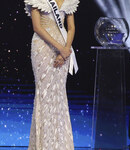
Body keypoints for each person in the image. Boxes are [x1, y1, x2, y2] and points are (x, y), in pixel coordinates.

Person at [24, 0, 79, 149]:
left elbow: (71, 27)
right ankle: (43, 144)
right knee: (44, 94)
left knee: (59, 95)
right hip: (43, 48)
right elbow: (37, 27)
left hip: (63, 51)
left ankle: (60, 144)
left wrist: (66, 50)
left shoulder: (70, 1)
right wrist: (61, 48)